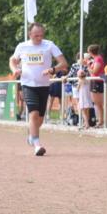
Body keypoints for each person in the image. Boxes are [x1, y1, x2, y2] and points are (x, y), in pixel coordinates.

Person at [9, 22, 68, 156]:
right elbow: (12, 60)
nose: (39, 38)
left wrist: (53, 69)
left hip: (44, 85)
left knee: (40, 119)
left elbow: (64, 63)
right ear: (30, 34)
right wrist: (15, 70)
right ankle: (37, 145)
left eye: (41, 35)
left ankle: (31, 135)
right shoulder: (22, 46)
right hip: (28, 84)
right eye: (36, 35)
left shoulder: (49, 45)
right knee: (33, 114)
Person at [87, 44, 107, 128]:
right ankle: (100, 120)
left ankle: (101, 121)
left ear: (91, 52)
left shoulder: (98, 59)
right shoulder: (95, 59)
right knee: (96, 103)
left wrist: (88, 67)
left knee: (98, 103)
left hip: (97, 82)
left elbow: (95, 71)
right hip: (94, 81)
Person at [77, 54, 94, 130]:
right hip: (87, 96)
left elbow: (77, 89)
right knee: (87, 111)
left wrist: (78, 83)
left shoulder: (80, 81)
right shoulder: (88, 80)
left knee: (84, 111)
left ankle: (86, 123)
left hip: (83, 97)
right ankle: (86, 123)